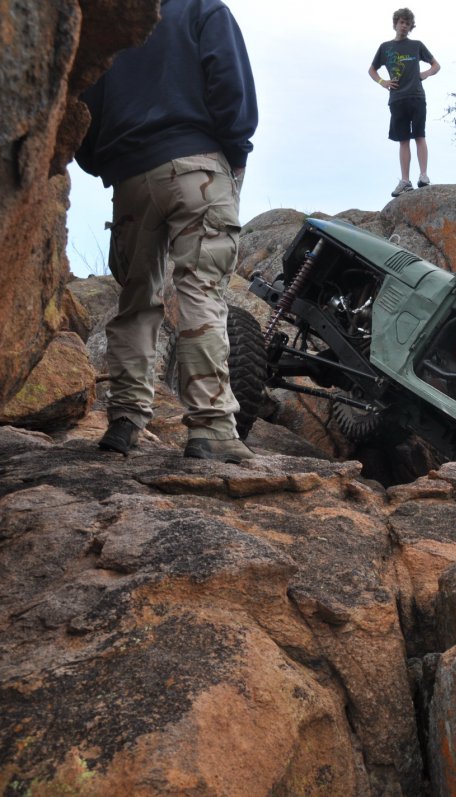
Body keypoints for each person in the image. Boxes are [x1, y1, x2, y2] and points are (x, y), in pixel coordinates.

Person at [75, 0, 258, 464]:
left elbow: (83, 107)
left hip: (130, 180)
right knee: (201, 293)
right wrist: (235, 151)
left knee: (137, 298)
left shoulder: (113, 19)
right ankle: (211, 428)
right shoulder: (202, 8)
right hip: (198, 167)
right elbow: (229, 85)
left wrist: (110, 163)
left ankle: (125, 419)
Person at [369, 8, 440, 196]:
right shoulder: (385, 48)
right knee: (403, 141)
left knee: (419, 136)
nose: (404, 26)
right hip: (397, 99)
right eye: (401, 22)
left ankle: (423, 176)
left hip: (416, 96)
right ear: (395, 23)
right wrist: (382, 82)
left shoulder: (417, 45)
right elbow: (372, 70)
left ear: (410, 27)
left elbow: (436, 65)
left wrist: (426, 73)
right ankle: (405, 181)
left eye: (407, 24)